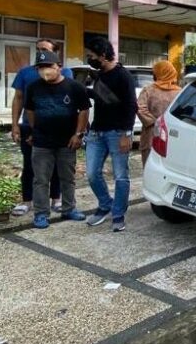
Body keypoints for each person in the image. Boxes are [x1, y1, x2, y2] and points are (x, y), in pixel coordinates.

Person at [22, 51, 90, 229]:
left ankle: (69, 209)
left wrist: (78, 134)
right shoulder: (33, 87)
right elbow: (29, 110)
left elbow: (84, 111)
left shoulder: (74, 87)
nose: (45, 71)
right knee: (40, 180)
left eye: (49, 66)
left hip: (67, 142)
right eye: (40, 67)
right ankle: (41, 214)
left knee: (67, 178)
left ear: (59, 67)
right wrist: (35, 130)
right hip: (42, 142)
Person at [10, 38, 73, 217]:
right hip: (30, 126)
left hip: (56, 127)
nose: (40, 52)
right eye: (38, 49)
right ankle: (27, 201)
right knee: (30, 164)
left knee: (56, 165)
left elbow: (70, 99)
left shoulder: (65, 72)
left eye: (44, 49)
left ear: (55, 52)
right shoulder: (26, 73)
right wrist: (15, 125)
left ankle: (57, 199)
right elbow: (19, 99)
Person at [84, 37, 137, 232]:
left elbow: (131, 106)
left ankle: (118, 213)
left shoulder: (123, 76)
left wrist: (126, 134)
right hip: (97, 133)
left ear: (103, 55)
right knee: (91, 173)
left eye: (91, 56)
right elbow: (103, 98)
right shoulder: (100, 75)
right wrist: (84, 91)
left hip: (117, 133)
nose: (89, 59)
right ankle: (105, 204)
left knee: (121, 176)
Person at [137, 60, 182, 167]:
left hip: (151, 136)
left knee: (150, 169)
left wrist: (156, 122)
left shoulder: (148, 90)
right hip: (173, 136)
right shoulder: (180, 92)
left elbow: (140, 108)